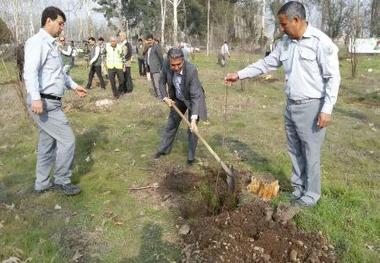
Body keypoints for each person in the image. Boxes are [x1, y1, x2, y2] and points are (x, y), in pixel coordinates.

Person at [224, 1, 341, 207]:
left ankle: (311, 195)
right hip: (291, 106)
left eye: (284, 24)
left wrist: (327, 110)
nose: (281, 28)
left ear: (297, 20)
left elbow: (333, 77)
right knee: (294, 150)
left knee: (310, 152)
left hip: (312, 107)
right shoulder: (285, 43)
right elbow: (266, 64)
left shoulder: (320, 42)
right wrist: (239, 75)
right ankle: (298, 189)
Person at [23, 6, 87, 195]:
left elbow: (59, 74)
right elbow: (30, 72)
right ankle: (62, 180)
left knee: (47, 144)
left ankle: (41, 183)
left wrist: (74, 86)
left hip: (50, 102)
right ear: (48, 21)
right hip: (43, 103)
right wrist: (35, 98)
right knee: (68, 140)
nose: (62, 28)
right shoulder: (37, 43)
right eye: (60, 24)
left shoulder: (51, 44)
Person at [154, 48, 207, 165]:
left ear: (183, 60)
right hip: (178, 98)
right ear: (169, 62)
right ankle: (164, 150)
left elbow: (195, 96)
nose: (176, 68)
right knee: (171, 124)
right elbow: (161, 81)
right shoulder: (166, 65)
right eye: (173, 65)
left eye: (179, 64)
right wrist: (165, 97)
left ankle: (191, 157)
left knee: (192, 130)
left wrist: (193, 119)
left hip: (194, 99)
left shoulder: (191, 70)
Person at [145, 34, 163, 98]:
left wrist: (161, 68)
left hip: (156, 69)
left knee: (157, 84)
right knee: (153, 84)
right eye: (148, 40)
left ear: (153, 40)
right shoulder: (149, 48)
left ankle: (161, 97)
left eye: (150, 40)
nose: (149, 41)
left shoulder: (156, 47)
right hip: (150, 68)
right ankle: (157, 95)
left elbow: (161, 58)